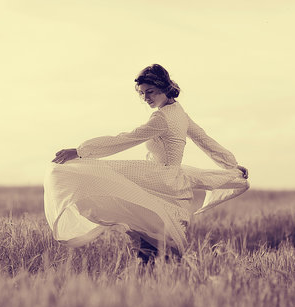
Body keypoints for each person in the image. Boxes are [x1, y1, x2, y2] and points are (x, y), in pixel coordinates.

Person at [44, 64, 249, 264]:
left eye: (149, 92)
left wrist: (81, 151)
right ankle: (156, 278)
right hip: (170, 181)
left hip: (159, 183)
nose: (145, 98)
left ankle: (151, 277)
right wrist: (231, 164)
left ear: (163, 87)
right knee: (152, 239)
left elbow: (126, 139)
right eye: (141, 94)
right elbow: (204, 140)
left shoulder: (162, 118)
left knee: (145, 232)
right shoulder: (179, 112)